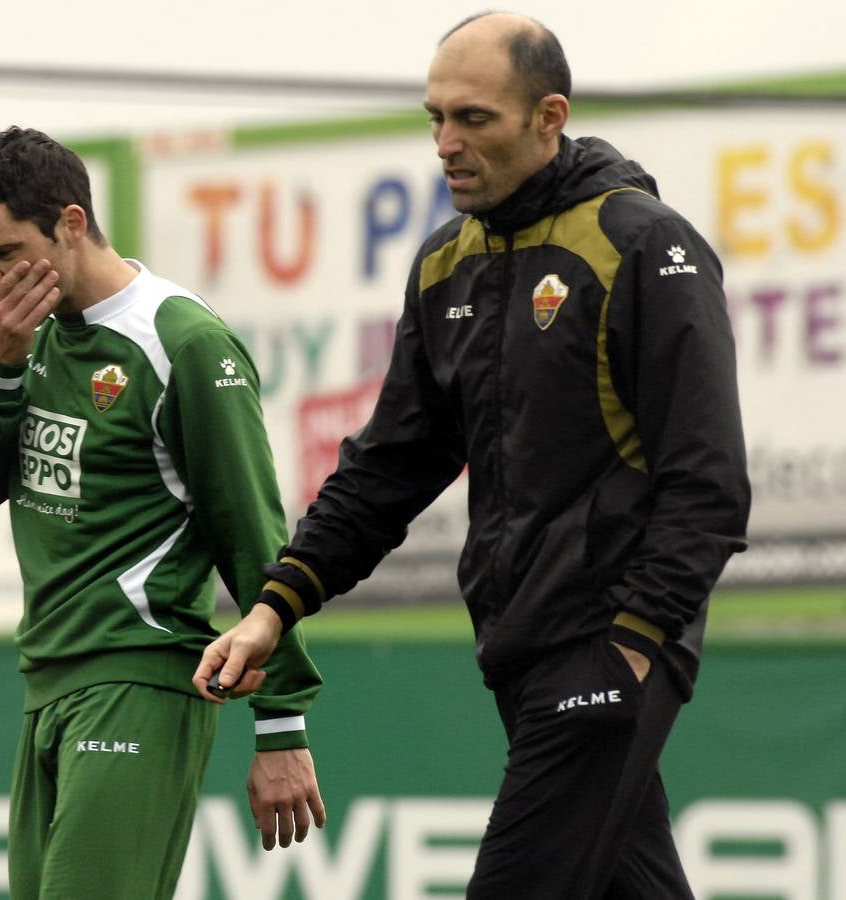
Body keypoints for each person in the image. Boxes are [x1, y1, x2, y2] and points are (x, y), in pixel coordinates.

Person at [194, 12, 751, 899]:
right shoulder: (444, 265)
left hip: (607, 644)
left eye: (473, 120)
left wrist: (636, 643)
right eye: (434, 118)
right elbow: (387, 468)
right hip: (517, 649)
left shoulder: (645, 244)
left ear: (548, 116)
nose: (445, 143)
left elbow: (710, 482)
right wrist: (273, 608)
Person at [0, 126, 325, 900]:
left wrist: (281, 723)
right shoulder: (28, 339)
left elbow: (251, 532)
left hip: (139, 678)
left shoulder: (183, 342)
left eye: (6, 252)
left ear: (71, 225)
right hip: (46, 681)